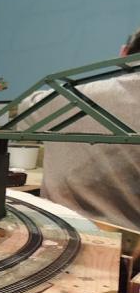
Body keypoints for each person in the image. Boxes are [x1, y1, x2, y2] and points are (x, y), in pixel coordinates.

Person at [18, 29, 140, 230]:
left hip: (58, 232)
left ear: (123, 53)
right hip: (130, 240)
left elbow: (24, 109)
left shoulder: (73, 97)